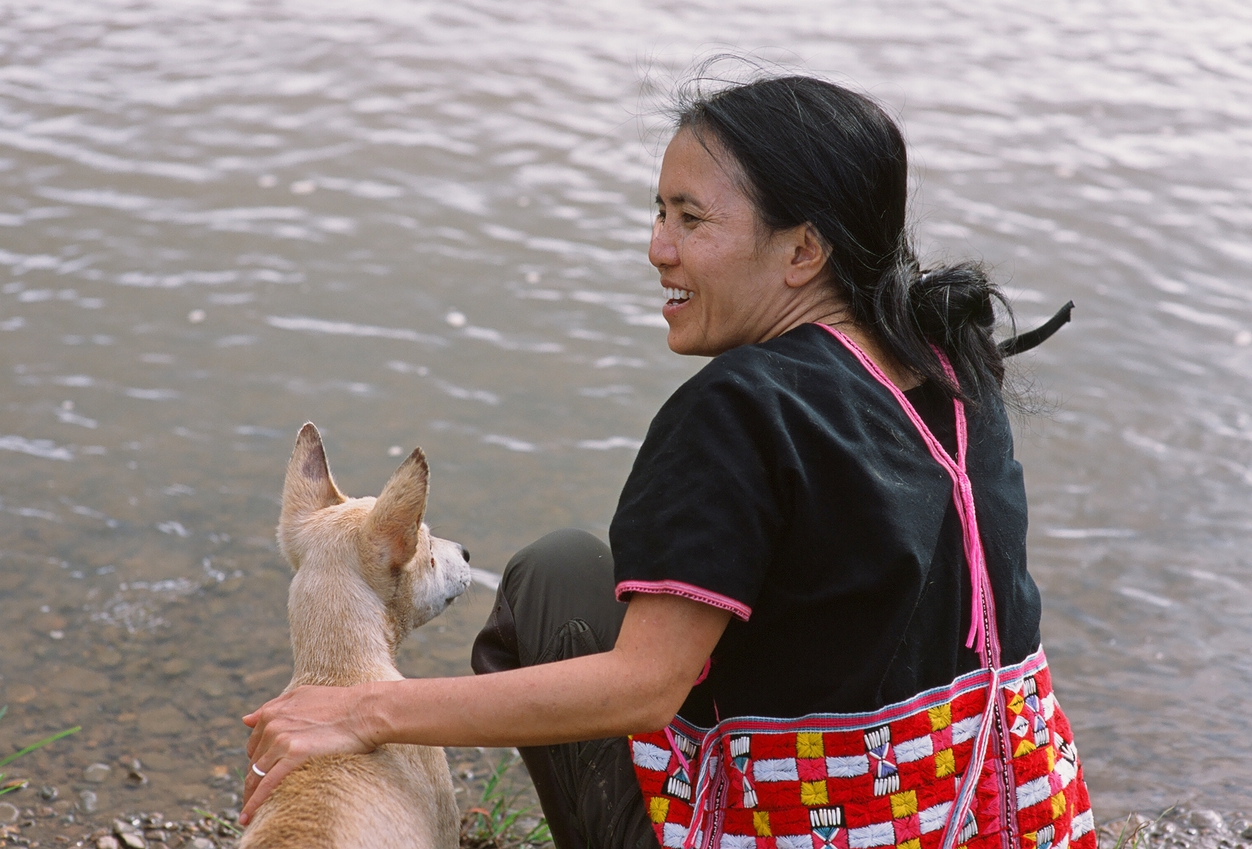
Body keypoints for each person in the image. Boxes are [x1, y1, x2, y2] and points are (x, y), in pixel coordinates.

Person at [241, 74, 1094, 849]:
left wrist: (362, 709)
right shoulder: (954, 364)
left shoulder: (740, 407)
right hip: (1003, 819)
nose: (658, 247)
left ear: (804, 252)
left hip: (820, 825)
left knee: (555, 576)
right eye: (658, 212)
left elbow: (644, 688)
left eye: (691, 219)